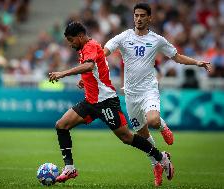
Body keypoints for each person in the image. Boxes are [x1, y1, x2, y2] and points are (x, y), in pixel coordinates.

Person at [48, 21, 174, 186]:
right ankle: (70, 168)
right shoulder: (84, 48)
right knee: (61, 125)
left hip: (105, 101)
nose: (71, 44)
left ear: (80, 36)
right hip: (91, 101)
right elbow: (96, 69)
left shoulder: (90, 45)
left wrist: (63, 73)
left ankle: (161, 157)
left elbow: (89, 65)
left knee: (126, 137)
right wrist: (85, 81)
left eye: (72, 40)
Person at [104, 3, 212, 186]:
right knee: (142, 135)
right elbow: (105, 51)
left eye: (142, 16)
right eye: (136, 15)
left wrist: (197, 63)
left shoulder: (157, 40)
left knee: (153, 120)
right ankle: (158, 162)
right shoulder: (124, 37)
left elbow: (176, 56)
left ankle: (162, 127)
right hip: (130, 94)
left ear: (149, 18)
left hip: (148, 90)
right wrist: (95, 62)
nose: (138, 19)